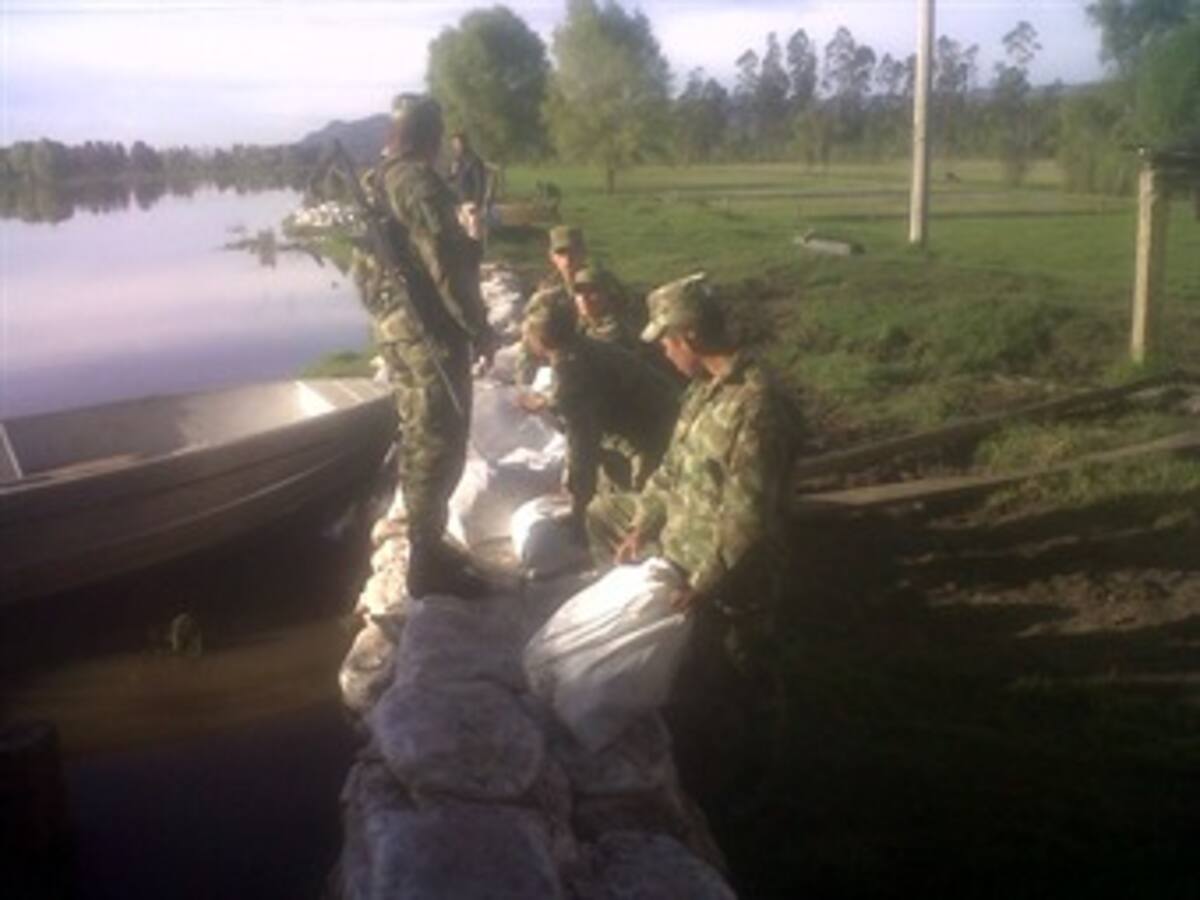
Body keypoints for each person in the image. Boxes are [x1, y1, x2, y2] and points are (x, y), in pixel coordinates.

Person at [585, 271, 795, 798]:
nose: (663, 353)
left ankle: (752, 784)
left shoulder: (757, 408)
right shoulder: (702, 395)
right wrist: (643, 524)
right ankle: (704, 766)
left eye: (667, 342)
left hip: (734, 579)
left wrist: (704, 584)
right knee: (694, 682)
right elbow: (670, 473)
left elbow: (747, 518)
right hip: (685, 554)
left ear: (690, 338)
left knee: (741, 678)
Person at [357, 93, 499, 598]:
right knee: (437, 440)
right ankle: (426, 562)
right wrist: (478, 326)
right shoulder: (416, 182)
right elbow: (448, 262)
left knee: (419, 432)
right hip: (426, 333)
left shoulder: (375, 181)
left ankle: (427, 547)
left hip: (395, 330)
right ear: (431, 136)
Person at [520, 300, 679, 529]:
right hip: (660, 422)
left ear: (542, 340)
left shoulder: (569, 369)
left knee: (636, 514)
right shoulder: (583, 348)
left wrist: (577, 502)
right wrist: (551, 403)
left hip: (652, 440)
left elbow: (581, 445)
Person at [447, 132, 489, 243]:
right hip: (459, 203)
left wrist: (477, 204)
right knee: (461, 235)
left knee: (473, 234)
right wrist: (452, 173)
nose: (455, 147)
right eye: (454, 144)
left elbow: (480, 184)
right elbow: (452, 180)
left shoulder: (474, 161)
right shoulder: (456, 162)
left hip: (471, 203)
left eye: (458, 144)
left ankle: (475, 258)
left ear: (465, 144)